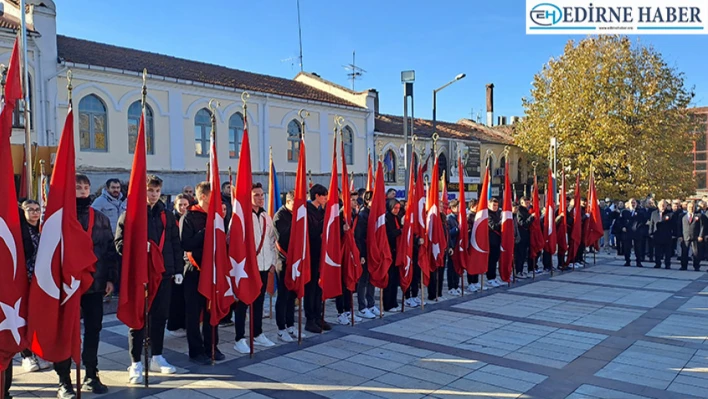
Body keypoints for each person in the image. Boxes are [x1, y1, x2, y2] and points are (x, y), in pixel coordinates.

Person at [54, 174, 119, 399]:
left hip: (95, 282)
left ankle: (91, 373)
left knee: (93, 330)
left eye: (85, 187)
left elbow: (110, 250)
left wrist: (110, 278)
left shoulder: (100, 218)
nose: (82, 190)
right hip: (66, 286)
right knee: (64, 331)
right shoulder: (60, 217)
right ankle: (63, 380)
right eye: (77, 187)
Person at [115, 175, 183, 384]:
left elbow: (174, 243)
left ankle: (157, 356)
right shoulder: (130, 215)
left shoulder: (167, 215)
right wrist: (137, 248)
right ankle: (135, 362)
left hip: (163, 274)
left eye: (156, 191)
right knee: (138, 319)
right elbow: (119, 244)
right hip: (140, 275)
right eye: (149, 191)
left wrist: (177, 269)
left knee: (159, 317)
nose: (153, 195)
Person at [180, 182, 224, 365]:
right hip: (194, 271)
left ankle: (212, 345)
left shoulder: (216, 217)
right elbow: (186, 243)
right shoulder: (189, 217)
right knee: (194, 312)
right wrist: (206, 232)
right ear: (203, 197)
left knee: (211, 310)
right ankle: (196, 350)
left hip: (213, 271)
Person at [233, 183, 278, 353]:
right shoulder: (242, 216)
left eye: (261, 194)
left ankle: (257, 333)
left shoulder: (266, 216)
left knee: (259, 302)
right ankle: (239, 338)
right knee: (244, 302)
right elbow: (235, 240)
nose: (260, 198)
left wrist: (272, 261)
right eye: (256, 195)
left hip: (265, 265)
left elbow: (272, 240)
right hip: (247, 267)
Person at [17, 201, 52, 373]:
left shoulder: (44, 230)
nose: (35, 213)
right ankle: (27, 355)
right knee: (24, 317)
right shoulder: (18, 232)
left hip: (41, 281)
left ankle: (39, 351)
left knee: (39, 317)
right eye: (30, 210)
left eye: (37, 210)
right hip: (23, 280)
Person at [273, 191, 306, 340]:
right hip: (283, 261)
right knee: (283, 295)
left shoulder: (296, 215)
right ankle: (281, 328)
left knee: (293, 294)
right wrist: (296, 224)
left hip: (296, 261)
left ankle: (290, 325)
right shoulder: (280, 216)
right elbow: (283, 238)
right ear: (288, 201)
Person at [304, 184, 332, 333]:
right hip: (311, 254)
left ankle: (318, 316)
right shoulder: (307, 211)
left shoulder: (323, 211)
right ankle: (310, 319)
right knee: (311, 288)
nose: (326, 199)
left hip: (321, 254)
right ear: (317, 196)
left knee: (319, 287)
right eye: (324, 196)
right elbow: (311, 232)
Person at [167, 194, 190, 337]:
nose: (183, 208)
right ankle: (174, 324)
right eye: (180, 205)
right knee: (175, 296)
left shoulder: (190, 219)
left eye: (185, 205)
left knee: (185, 295)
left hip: (188, 261)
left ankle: (184, 323)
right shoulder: (172, 219)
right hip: (176, 261)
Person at [355, 191, 380, 319]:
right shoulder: (363, 215)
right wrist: (361, 254)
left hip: (373, 251)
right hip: (365, 251)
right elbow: (358, 237)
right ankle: (362, 307)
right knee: (363, 280)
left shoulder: (375, 214)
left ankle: (371, 304)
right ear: (367, 201)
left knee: (372, 278)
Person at [383, 199, 402, 312]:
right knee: (389, 279)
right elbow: (387, 235)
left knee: (395, 279)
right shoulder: (387, 218)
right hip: (388, 251)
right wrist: (399, 231)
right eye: (395, 208)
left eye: (398, 208)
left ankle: (394, 302)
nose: (397, 210)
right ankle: (387, 304)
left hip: (396, 251)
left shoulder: (397, 218)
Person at [622, 198, 647, 267]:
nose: (633, 204)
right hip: (628, 232)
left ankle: (638, 261)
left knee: (638, 248)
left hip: (637, 232)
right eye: (631, 203)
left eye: (634, 203)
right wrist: (623, 227)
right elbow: (621, 221)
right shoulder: (625, 212)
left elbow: (643, 221)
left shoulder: (640, 212)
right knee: (627, 248)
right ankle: (627, 261)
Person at [681, 201, 705, 271]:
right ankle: (684, 266)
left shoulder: (699, 216)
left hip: (695, 236)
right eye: (689, 207)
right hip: (686, 236)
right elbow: (680, 226)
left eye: (692, 207)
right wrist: (680, 236)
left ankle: (696, 266)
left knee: (696, 252)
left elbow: (702, 227)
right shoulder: (683, 216)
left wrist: (700, 235)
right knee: (684, 252)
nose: (691, 208)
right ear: (687, 208)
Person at [651, 199, 674, 269]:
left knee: (667, 251)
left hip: (667, 235)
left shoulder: (670, 214)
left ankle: (667, 264)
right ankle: (657, 263)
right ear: (658, 206)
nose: (662, 206)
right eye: (661, 205)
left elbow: (674, 225)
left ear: (666, 206)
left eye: (664, 205)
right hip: (657, 235)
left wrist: (674, 234)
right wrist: (650, 232)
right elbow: (652, 224)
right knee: (657, 250)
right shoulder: (654, 213)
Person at [515, 197, 533, 279]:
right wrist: (531, 217)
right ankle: (518, 271)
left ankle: (521, 270)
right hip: (520, 236)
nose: (527, 204)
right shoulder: (519, 211)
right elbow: (522, 223)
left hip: (526, 236)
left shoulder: (526, 210)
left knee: (524, 254)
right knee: (520, 254)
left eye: (528, 203)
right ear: (521, 202)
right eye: (525, 202)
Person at [446, 199, 461, 296]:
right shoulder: (449, 219)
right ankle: (451, 286)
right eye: (458, 206)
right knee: (451, 268)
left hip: (459, 246)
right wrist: (456, 229)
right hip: (452, 246)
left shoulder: (459, 217)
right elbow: (448, 234)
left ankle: (456, 285)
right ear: (453, 208)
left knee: (458, 267)